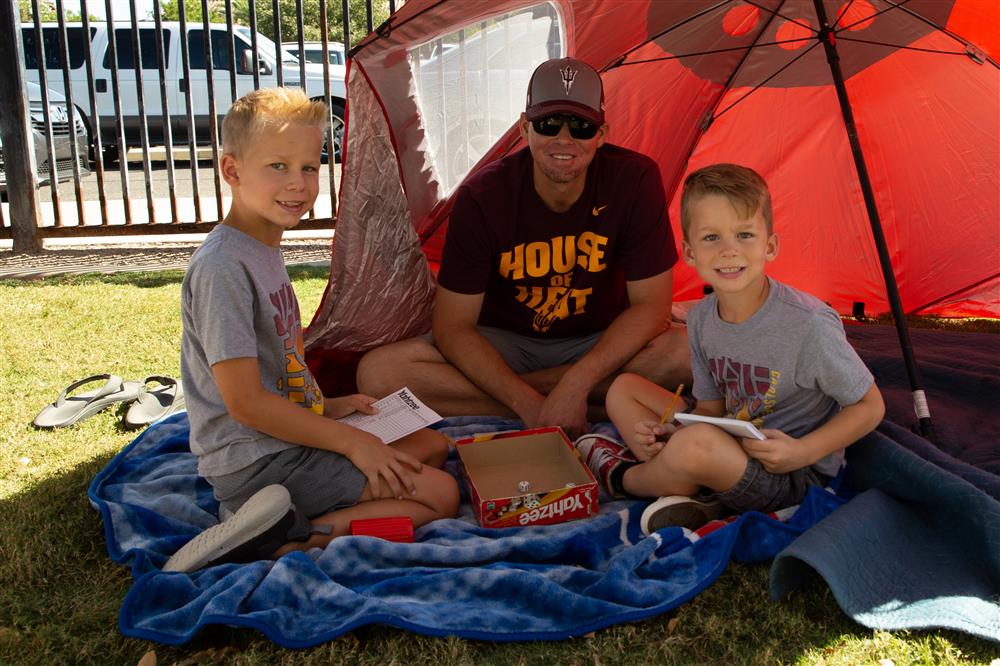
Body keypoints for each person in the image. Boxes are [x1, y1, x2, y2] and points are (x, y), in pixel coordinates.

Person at [165, 88, 459, 573]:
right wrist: (351, 441)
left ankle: (269, 515)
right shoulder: (223, 268)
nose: (298, 184)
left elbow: (279, 368)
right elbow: (245, 403)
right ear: (232, 171)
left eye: (308, 166)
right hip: (257, 461)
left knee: (431, 444)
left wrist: (331, 408)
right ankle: (289, 536)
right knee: (440, 495)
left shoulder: (262, 247)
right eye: (277, 166)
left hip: (287, 442)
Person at [357, 57, 691, 438]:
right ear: (524, 127)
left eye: (581, 126)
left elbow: (652, 307)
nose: (564, 139)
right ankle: (597, 401)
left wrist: (577, 383)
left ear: (601, 134)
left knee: (686, 354)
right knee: (380, 374)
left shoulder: (635, 179)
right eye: (549, 124)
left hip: (598, 339)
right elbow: (452, 327)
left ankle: (565, 397)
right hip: (505, 343)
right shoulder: (482, 195)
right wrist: (527, 401)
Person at [577, 163, 884, 533]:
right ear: (689, 253)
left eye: (744, 235)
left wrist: (802, 452)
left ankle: (624, 477)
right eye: (711, 238)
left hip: (785, 471)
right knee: (624, 388)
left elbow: (870, 405)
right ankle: (688, 482)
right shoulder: (703, 318)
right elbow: (710, 409)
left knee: (696, 447)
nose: (728, 251)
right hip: (729, 438)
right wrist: (675, 431)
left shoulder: (808, 324)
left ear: (770, 245)